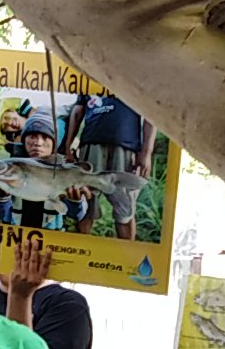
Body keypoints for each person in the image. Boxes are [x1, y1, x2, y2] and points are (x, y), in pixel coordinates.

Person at [59, 91, 154, 240]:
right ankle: (83, 249)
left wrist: (147, 153)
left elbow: (150, 112)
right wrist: (67, 147)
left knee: (125, 205)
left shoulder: (134, 76)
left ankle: (126, 258)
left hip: (126, 145)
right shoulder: (90, 77)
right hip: (91, 142)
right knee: (85, 198)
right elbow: (78, 111)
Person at [0, 112, 86, 231]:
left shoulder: (65, 172)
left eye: (45, 137)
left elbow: (77, 215)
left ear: (54, 144)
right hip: (15, 236)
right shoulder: (10, 169)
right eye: (32, 136)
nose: (38, 143)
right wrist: (0, 196)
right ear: (23, 140)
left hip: (50, 239)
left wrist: (75, 201)